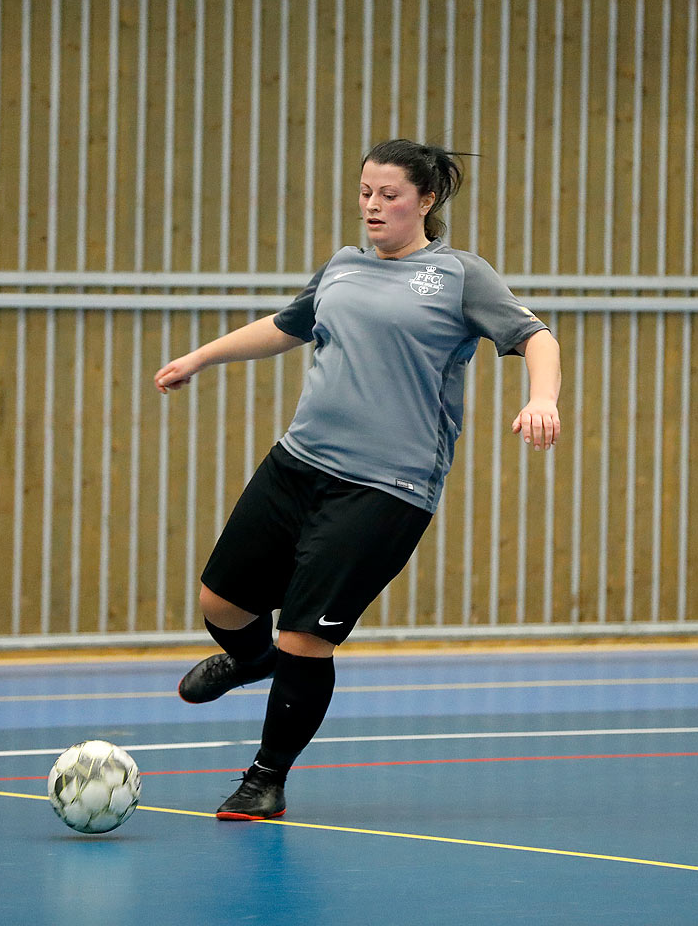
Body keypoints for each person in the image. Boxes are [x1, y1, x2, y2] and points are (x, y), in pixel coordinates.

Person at [152, 138, 563, 820]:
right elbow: (288, 326)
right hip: (299, 462)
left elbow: (535, 337)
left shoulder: (459, 276)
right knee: (221, 603)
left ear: (426, 201)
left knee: (305, 639)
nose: (373, 206)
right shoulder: (342, 268)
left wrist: (542, 397)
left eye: (390, 195)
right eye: (366, 192)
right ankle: (251, 662)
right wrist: (200, 358)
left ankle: (265, 778)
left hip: (385, 488)